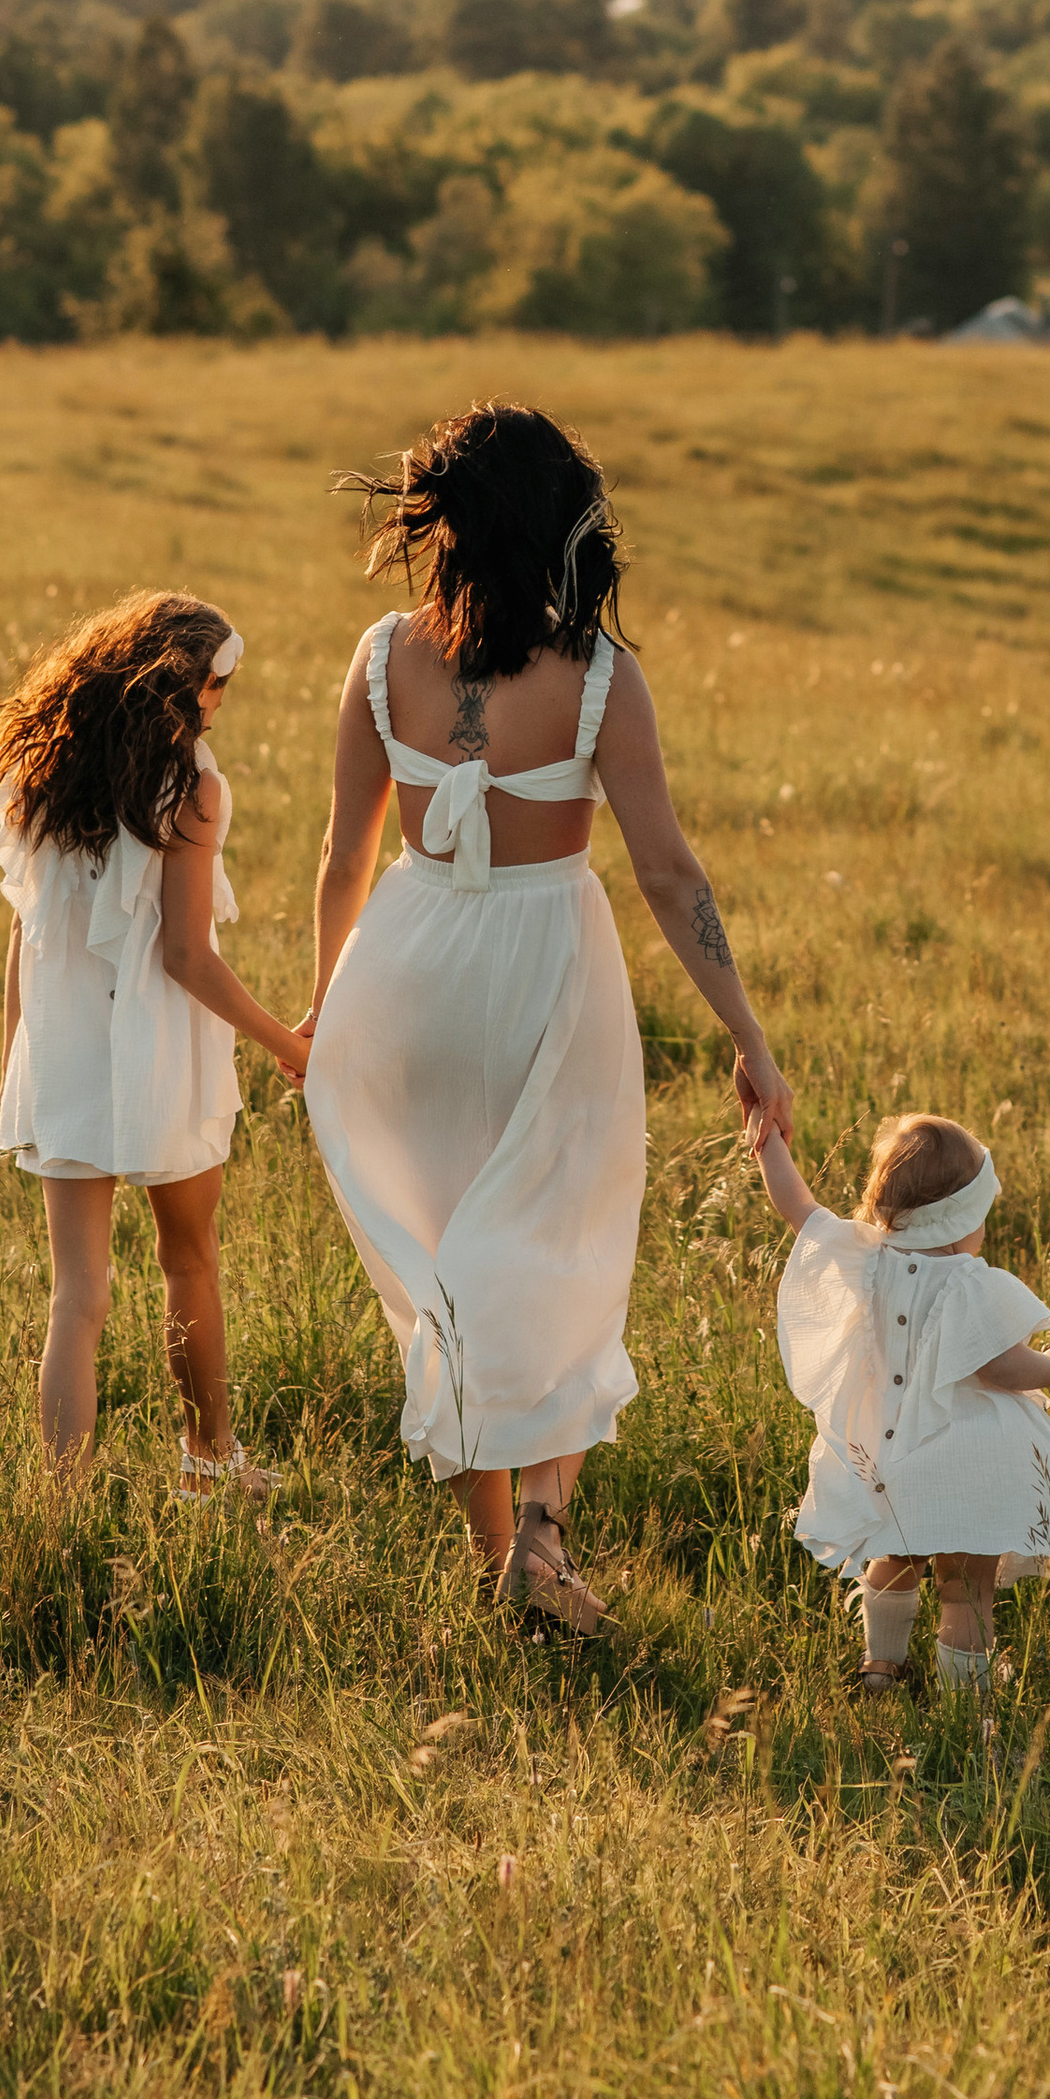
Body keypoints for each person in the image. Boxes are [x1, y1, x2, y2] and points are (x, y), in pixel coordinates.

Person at [302, 401, 790, 1635]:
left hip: (403, 973)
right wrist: (748, 1033)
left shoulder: (378, 659)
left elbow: (339, 858)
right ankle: (543, 1539)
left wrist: (325, 1011)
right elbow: (669, 874)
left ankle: (496, 1563)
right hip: (541, 976)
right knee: (563, 1255)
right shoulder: (599, 679)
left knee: (450, 1276)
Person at [0, 592, 312, 1485]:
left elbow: (22, 936)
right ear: (180, 688)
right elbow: (186, 956)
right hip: (160, 1052)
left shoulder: (44, 772)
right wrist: (286, 1041)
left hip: (65, 1048)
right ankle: (208, 1461)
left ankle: (59, 1505)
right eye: (218, 686)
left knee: (76, 1297)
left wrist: (16, 1063)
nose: (222, 703)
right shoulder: (191, 787)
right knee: (188, 1260)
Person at [755, 1107, 1050, 1694]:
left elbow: (797, 1206)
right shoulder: (971, 1283)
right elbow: (1004, 1367)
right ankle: (966, 1697)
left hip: (888, 1457)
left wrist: (768, 1137)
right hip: (969, 1460)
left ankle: (881, 1668)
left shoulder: (865, 1259)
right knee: (964, 1587)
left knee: (893, 1561)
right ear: (960, 1222)